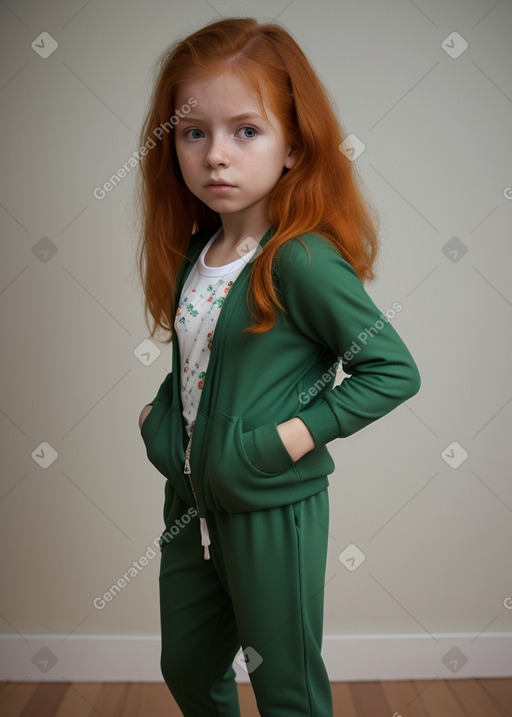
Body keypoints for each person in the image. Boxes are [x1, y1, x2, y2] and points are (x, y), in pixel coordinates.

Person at [135, 16, 420, 717]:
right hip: (191, 504)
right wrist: (158, 418)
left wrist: (288, 438)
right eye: (194, 132)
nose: (216, 156)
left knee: (285, 685)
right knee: (187, 663)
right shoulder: (193, 255)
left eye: (246, 130)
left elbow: (393, 369)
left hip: (271, 507)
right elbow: (200, 364)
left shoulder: (302, 259)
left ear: (294, 144)